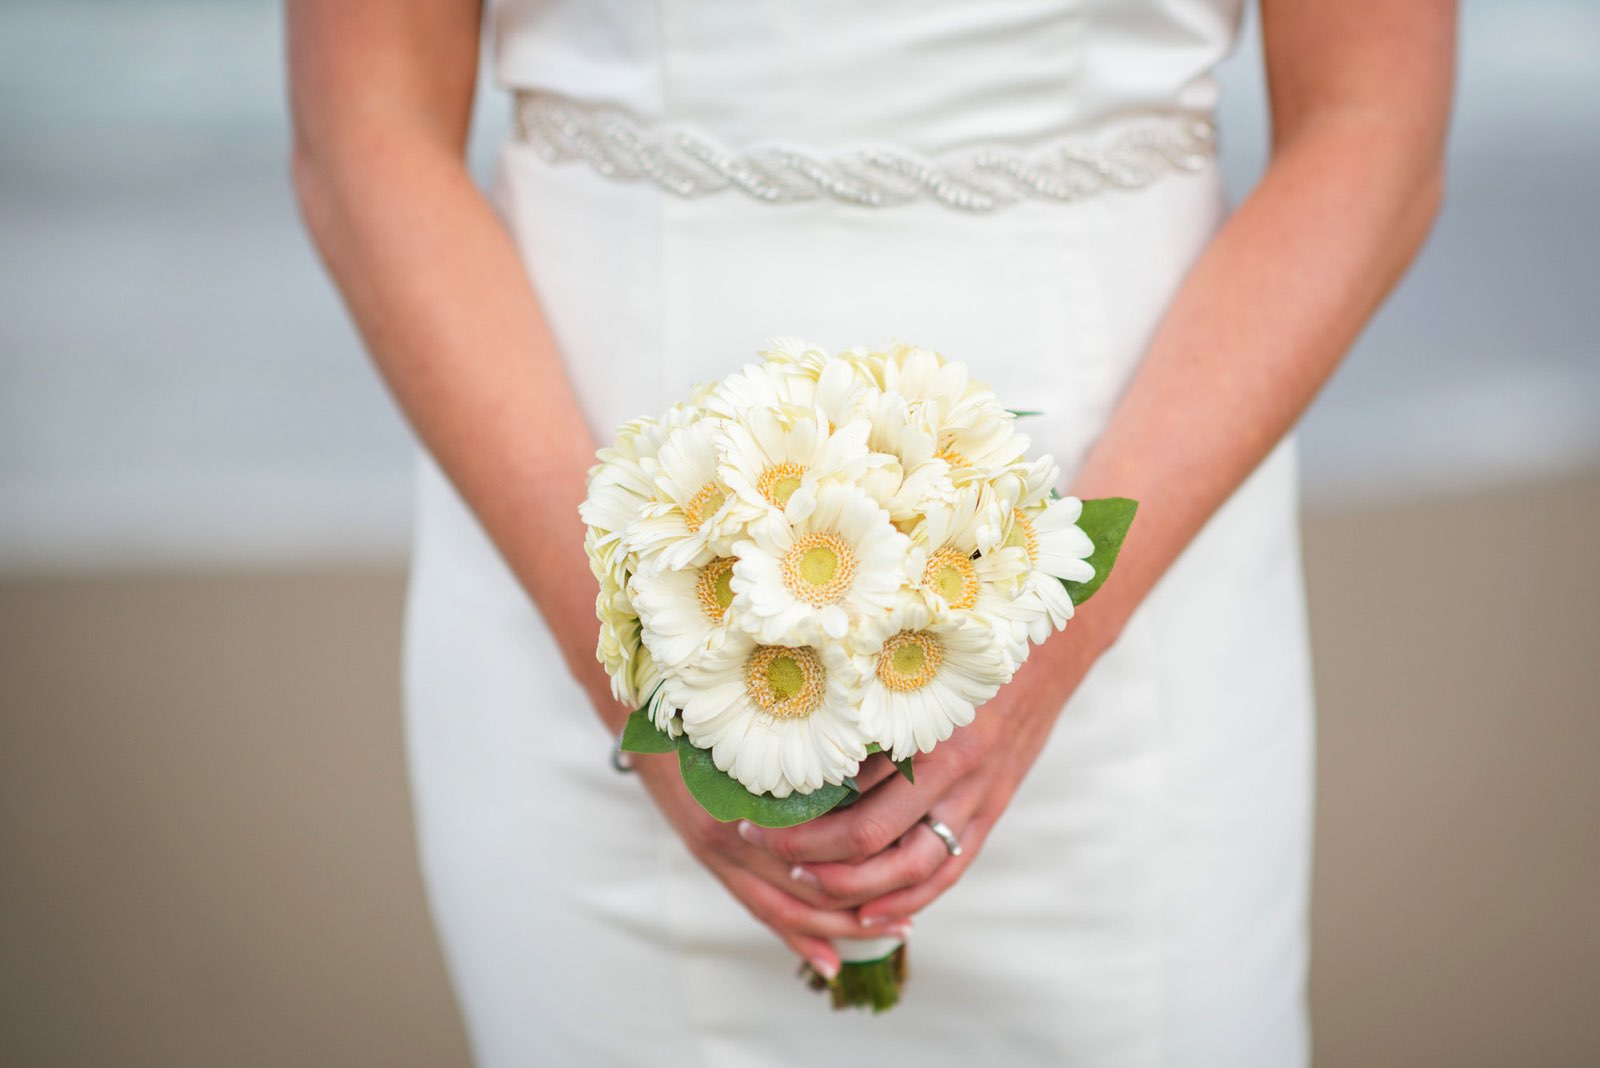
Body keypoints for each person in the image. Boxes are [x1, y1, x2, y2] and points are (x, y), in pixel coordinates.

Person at [287, 1, 1455, 1063]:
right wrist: (628, 668)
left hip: (1139, 604)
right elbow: (364, 118)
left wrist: (1064, 624)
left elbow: (1371, 122)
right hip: (563, 544)